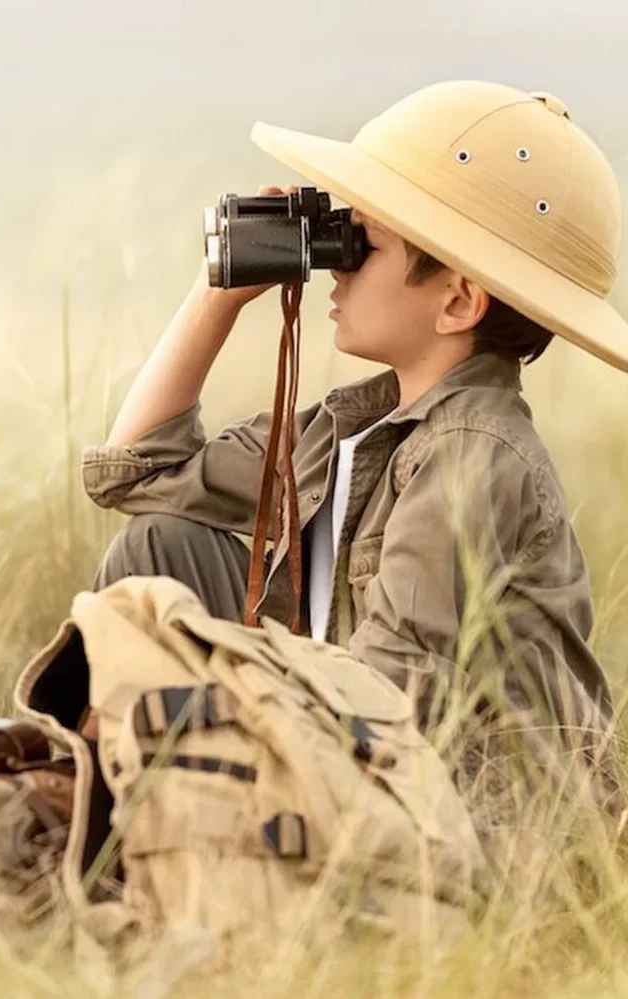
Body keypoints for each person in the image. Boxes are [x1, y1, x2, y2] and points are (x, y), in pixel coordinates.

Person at [81, 80, 625, 824]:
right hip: (363, 765)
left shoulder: (474, 454)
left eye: (363, 243)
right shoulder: (352, 429)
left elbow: (384, 695)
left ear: (458, 301)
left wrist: (221, 719)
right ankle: (125, 821)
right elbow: (140, 471)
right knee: (158, 547)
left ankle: (152, 823)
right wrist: (219, 292)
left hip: (474, 827)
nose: (336, 264)